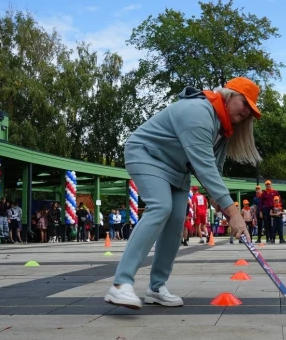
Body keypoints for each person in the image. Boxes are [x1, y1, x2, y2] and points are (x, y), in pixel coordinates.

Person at [104, 76, 262, 309]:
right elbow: (204, 166)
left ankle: (156, 288)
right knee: (161, 207)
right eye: (244, 103)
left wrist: (218, 201)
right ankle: (120, 285)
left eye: (252, 109)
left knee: (177, 220)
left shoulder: (223, 127)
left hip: (177, 169)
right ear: (229, 95)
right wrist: (234, 212)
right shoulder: (198, 111)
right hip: (147, 155)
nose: (247, 111)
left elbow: (214, 170)